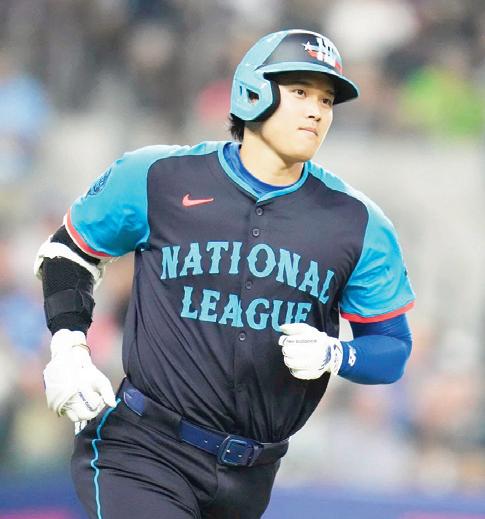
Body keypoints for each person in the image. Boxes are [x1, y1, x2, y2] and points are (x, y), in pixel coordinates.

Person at [35, 29, 415, 519]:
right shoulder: (158, 176)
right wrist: (69, 347)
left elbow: (392, 349)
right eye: (300, 92)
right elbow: (67, 254)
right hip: (144, 450)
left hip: (251, 476)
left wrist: (336, 353)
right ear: (252, 91)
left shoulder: (359, 222)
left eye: (326, 100)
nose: (317, 111)